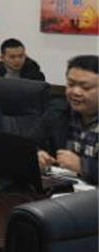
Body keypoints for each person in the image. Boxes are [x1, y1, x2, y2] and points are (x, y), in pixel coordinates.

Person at [37, 55, 98, 184]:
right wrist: (38, 155)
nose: (75, 92)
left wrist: (83, 167)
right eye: (70, 84)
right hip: (61, 189)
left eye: (85, 87)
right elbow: (31, 144)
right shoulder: (57, 112)